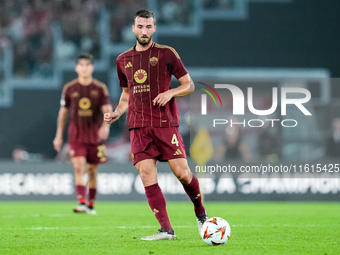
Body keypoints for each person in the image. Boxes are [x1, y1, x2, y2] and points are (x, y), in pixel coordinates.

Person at [104, 9, 207, 241]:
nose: (144, 31)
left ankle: (201, 214)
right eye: (140, 27)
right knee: (146, 174)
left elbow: (188, 85)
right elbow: (125, 95)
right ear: (133, 29)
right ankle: (167, 230)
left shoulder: (167, 54)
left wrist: (170, 92)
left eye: (148, 26)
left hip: (165, 124)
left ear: (154, 28)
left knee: (182, 173)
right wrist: (118, 112)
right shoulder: (122, 60)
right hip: (138, 127)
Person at [53, 53, 112, 215]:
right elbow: (63, 113)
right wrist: (58, 135)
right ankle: (81, 202)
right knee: (79, 167)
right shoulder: (69, 89)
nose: (85, 68)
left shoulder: (100, 88)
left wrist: (106, 126)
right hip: (76, 136)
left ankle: (91, 204)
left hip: (95, 137)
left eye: (88, 65)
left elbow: (107, 110)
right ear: (77, 68)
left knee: (92, 170)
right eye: (82, 65)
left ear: (92, 68)